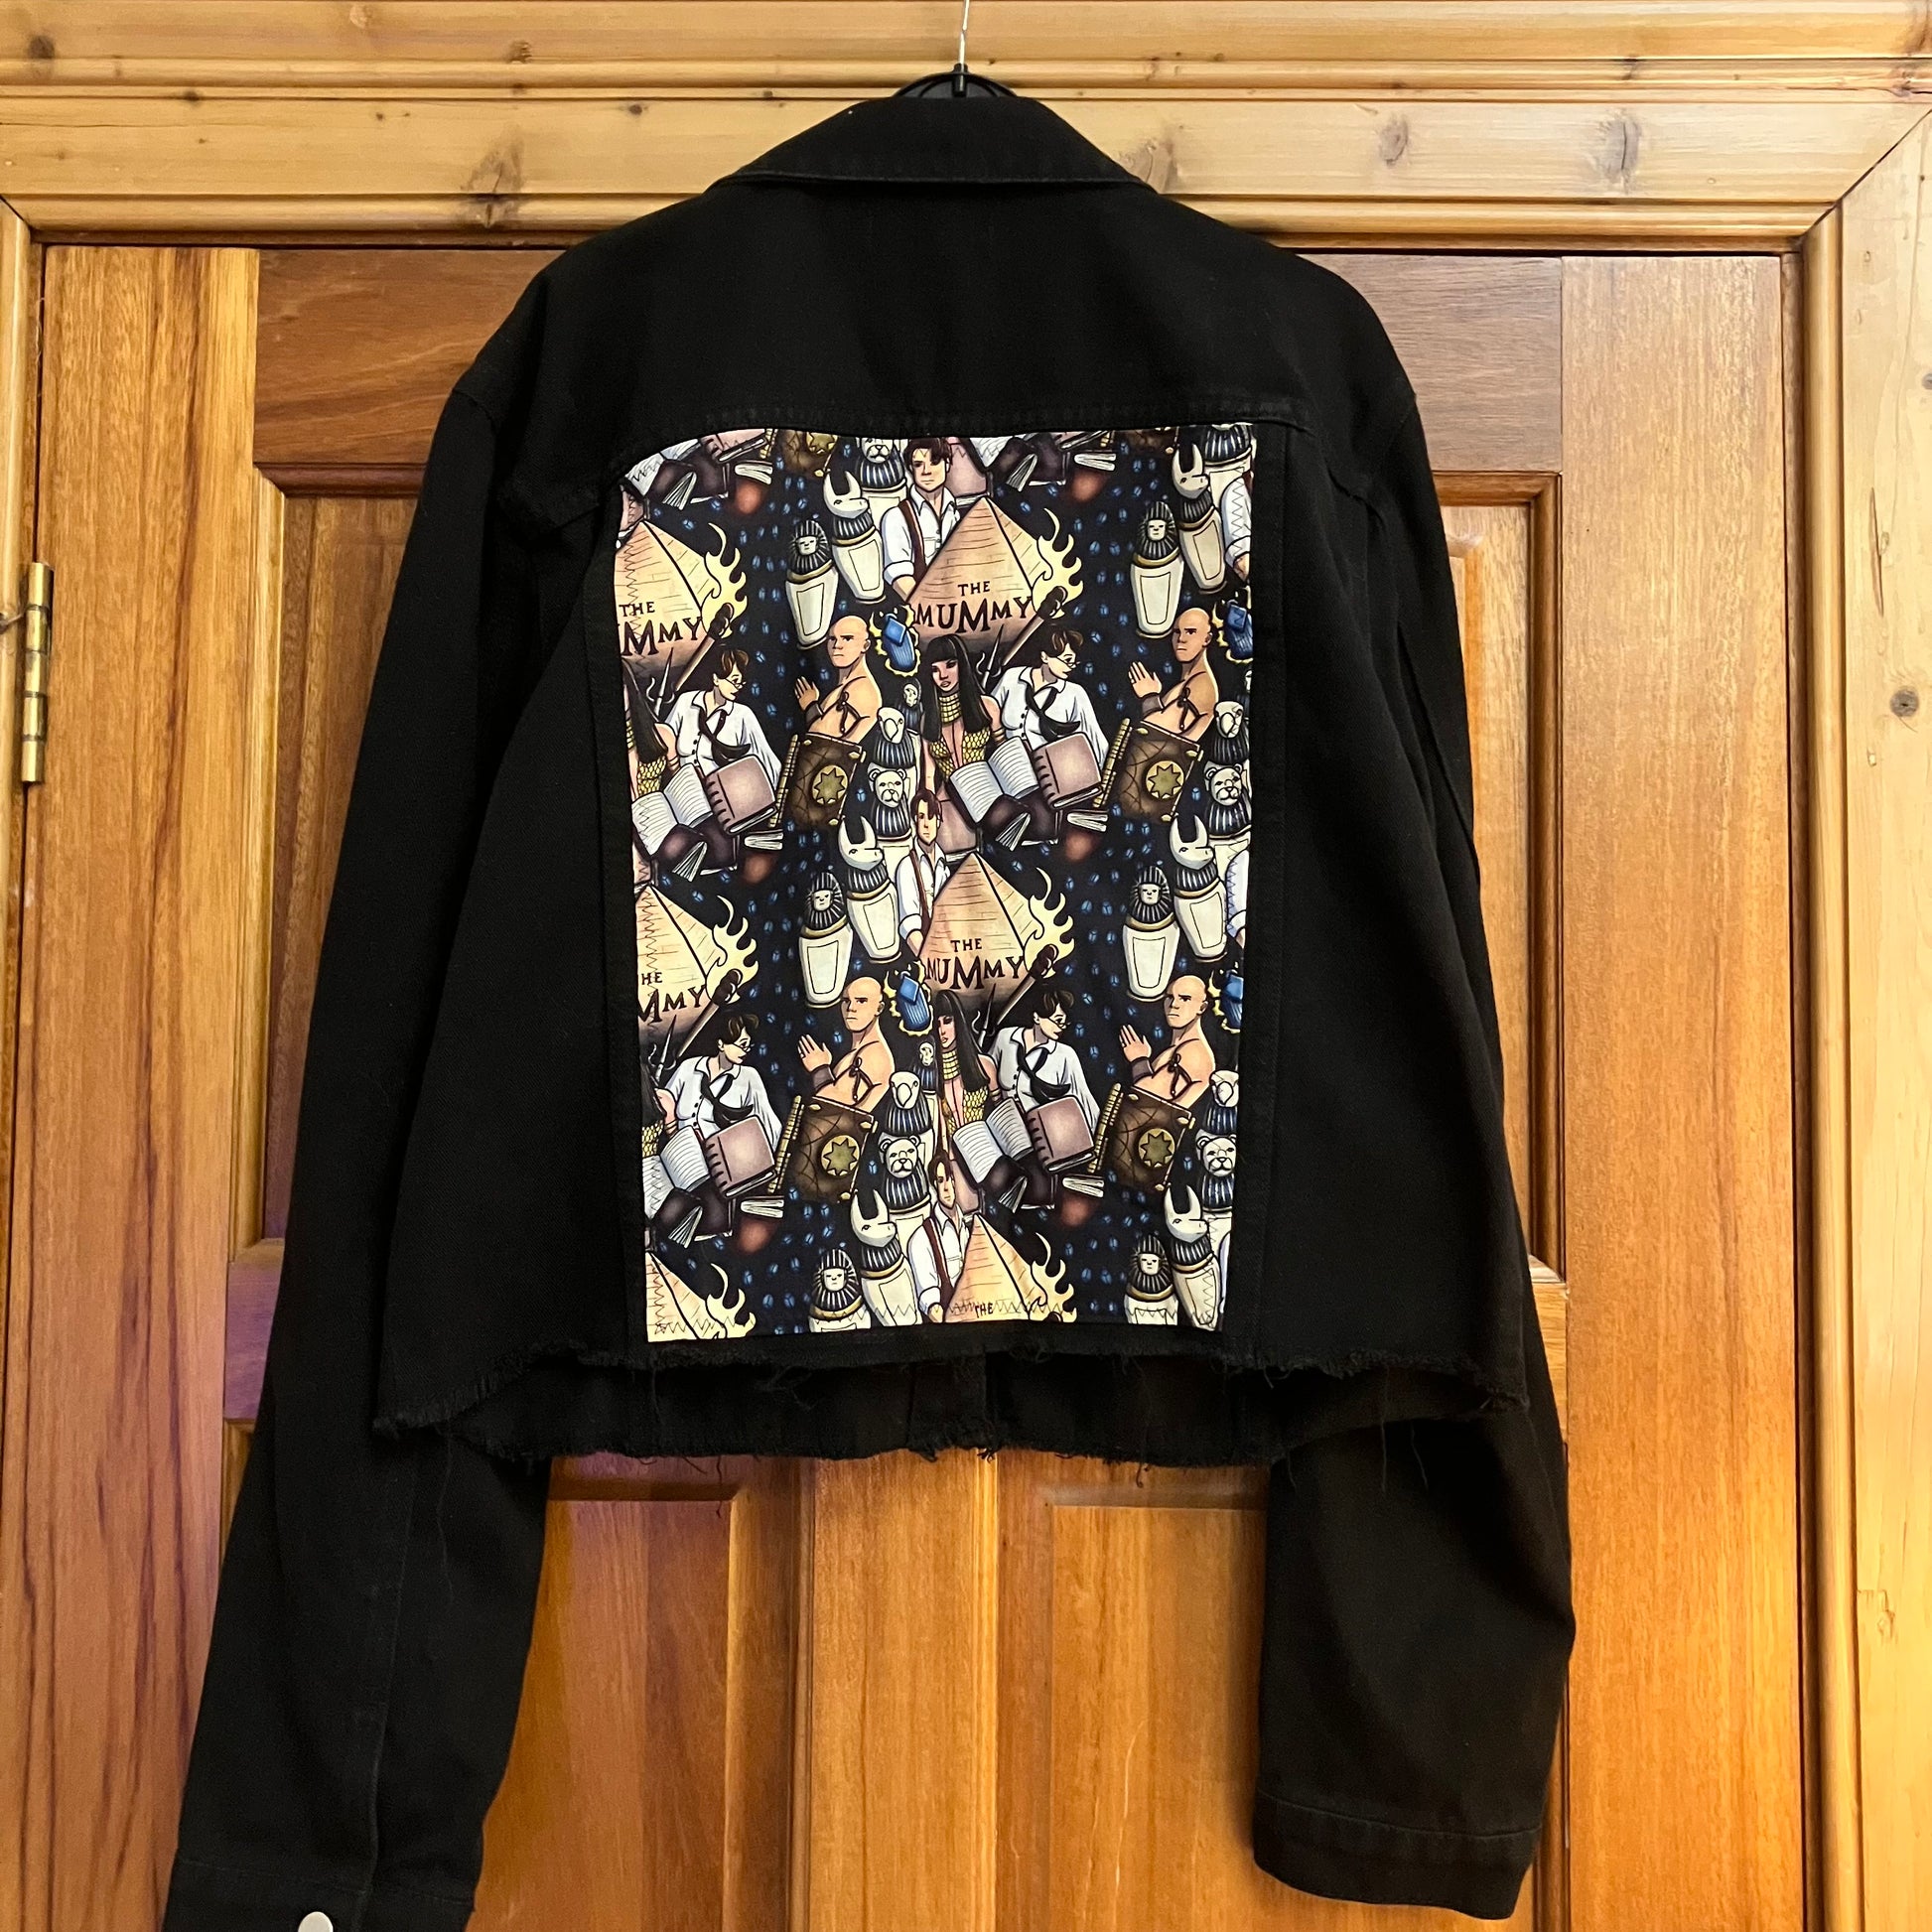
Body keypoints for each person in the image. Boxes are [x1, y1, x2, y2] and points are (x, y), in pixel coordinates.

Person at [653, 1011, 783, 1243]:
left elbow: (771, 1125)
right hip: (678, 1157)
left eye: (749, 1046)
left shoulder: (749, 1078)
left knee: (706, 1220)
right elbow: (664, 1105)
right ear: (721, 1043)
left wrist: (751, 1161)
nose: (746, 1050)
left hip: (718, 1171)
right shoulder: (688, 1068)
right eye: (741, 1044)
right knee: (668, 1210)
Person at [990, 981, 1100, 1207]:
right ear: (1037, 1017)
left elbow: (1087, 1103)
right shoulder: (1005, 1038)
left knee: (1035, 1198)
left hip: (1042, 1146)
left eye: (1065, 1022)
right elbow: (987, 1073)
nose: (1062, 1027)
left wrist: (1090, 1145)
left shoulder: (1065, 1056)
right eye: (1058, 1020)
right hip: (1004, 1136)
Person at [931, 991, 1000, 1212]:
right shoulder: (932, 1077)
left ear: (958, 1021)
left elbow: (1003, 1116)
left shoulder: (984, 1065)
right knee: (969, 1214)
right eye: (936, 1024)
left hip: (990, 1155)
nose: (942, 1030)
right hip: (954, 1160)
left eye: (947, 1021)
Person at [797, 974, 896, 1113]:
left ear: (879, 1008)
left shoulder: (874, 1055)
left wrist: (820, 1068)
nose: (851, 1008)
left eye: (861, 1001)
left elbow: (835, 1106)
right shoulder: (861, 1051)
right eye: (846, 1001)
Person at [1119, 972, 1217, 1110]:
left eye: (1185, 999)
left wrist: (1139, 1060)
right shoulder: (1180, 1047)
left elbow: (1149, 1099)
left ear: (1202, 1007)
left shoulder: (1194, 1052)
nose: (1173, 1004)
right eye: (1170, 997)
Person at [882, 437, 964, 596]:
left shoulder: (954, 513)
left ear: (947, 464)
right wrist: (928, 606)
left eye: (934, 462)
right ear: (910, 469)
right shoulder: (896, 517)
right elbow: (900, 578)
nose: (926, 471)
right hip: (920, 606)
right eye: (918, 464)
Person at [1126, 605, 1220, 743]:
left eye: (1190, 632)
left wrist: (1149, 696)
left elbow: (1157, 733)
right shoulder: (1189, 682)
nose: (1181, 638)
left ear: (1207, 639)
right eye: (1177, 632)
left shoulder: (1202, 685)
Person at [795, 613, 882, 745]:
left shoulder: (861, 689)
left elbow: (820, 737)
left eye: (847, 638)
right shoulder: (848, 685)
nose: (837, 645)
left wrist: (810, 705)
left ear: (865, 646)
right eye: (832, 639)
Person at [906, 1153, 973, 1321]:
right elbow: (933, 1308)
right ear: (934, 1186)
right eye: (940, 1180)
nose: (946, 1188)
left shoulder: (971, 1228)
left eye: (950, 1179)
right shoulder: (921, 1239)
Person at [894, 788, 955, 955]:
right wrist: (929, 961)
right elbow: (910, 927)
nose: (926, 824)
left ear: (938, 821)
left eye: (931, 816)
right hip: (924, 956)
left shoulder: (944, 866)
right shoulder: (907, 867)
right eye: (921, 817)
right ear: (915, 821)